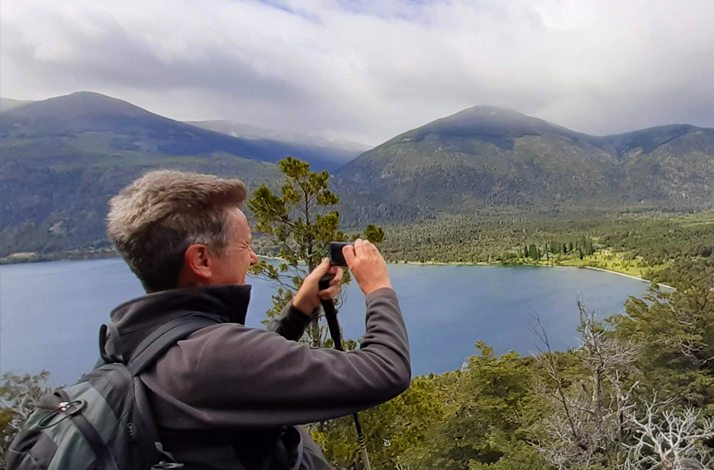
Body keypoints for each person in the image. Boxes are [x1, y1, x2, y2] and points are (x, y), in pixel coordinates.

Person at [105, 170, 411, 470]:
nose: (254, 258)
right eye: (245, 245)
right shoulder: (213, 357)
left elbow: (244, 373)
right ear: (201, 260)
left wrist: (299, 311)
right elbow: (387, 370)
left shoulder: (135, 341)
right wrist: (378, 287)